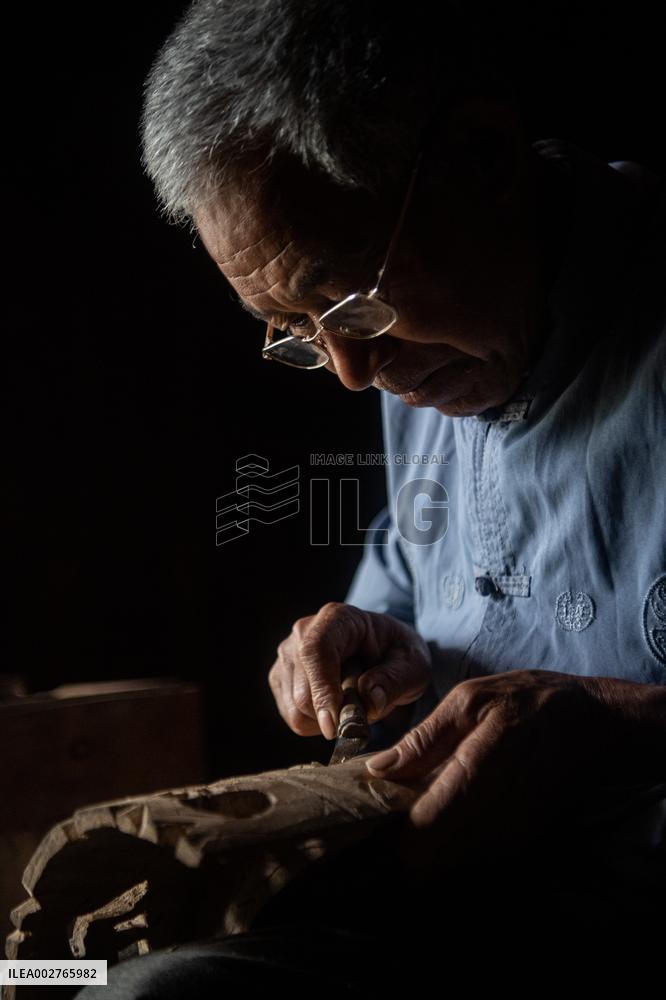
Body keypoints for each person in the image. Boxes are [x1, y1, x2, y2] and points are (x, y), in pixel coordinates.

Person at [77, 1, 665, 995]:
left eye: (351, 298)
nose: (351, 371)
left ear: (482, 159)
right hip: (459, 922)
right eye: (295, 327)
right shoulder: (435, 350)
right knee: (91, 976)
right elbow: (409, 575)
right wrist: (373, 643)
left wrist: (635, 727)